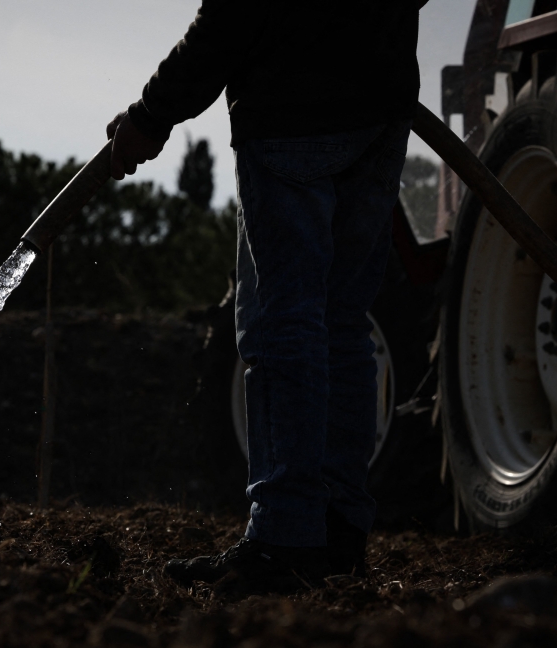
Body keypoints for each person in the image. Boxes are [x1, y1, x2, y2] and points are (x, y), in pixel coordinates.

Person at [107, 0, 424, 590]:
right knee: (343, 323)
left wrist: (151, 115)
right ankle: (337, 534)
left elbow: (233, 11)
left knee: (286, 327)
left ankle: (285, 539)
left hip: (293, 114)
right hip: (380, 108)